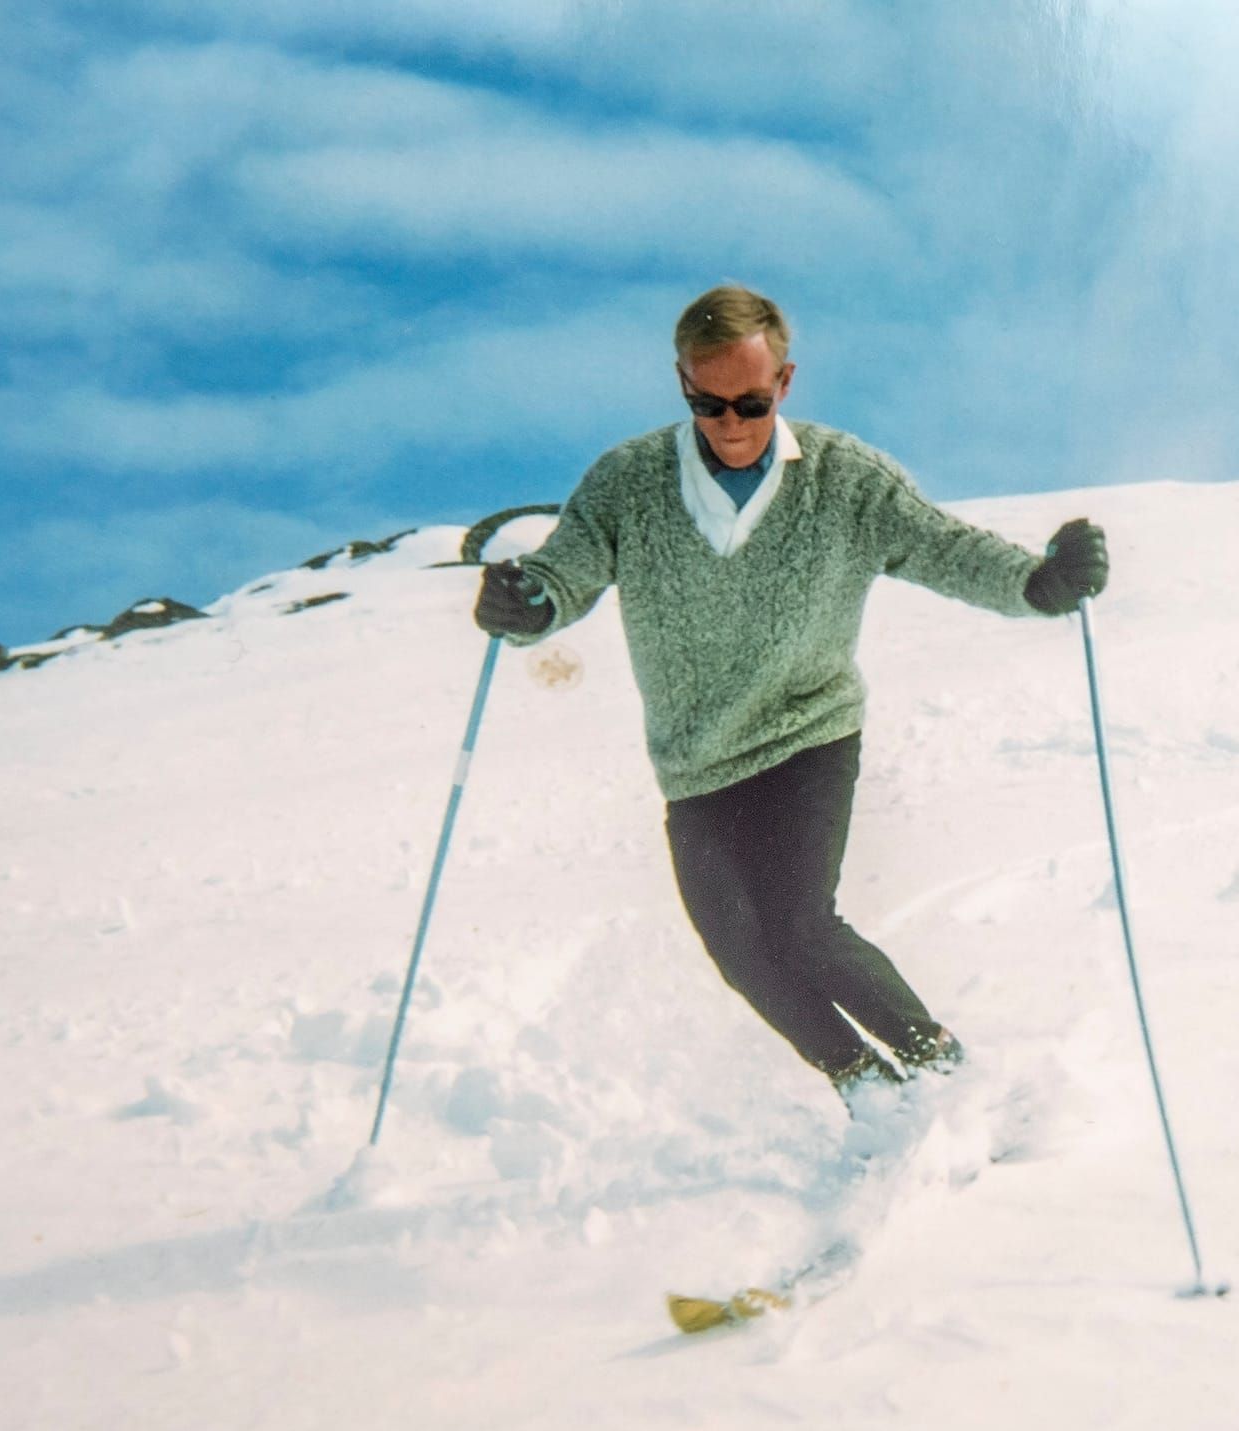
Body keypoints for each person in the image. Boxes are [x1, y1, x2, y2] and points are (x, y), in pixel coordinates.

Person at [474, 284, 1108, 1109]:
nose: (731, 423)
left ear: (786, 382)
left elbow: (943, 547)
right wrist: (527, 607)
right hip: (697, 761)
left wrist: (1037, 583)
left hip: (809, 734)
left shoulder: (845, 480)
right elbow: (566, 572)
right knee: (742, 952)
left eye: (750, 401)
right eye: (708, 404)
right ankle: (871, 1093)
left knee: (802, 927)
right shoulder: (628, 482)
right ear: (681, 386)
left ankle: (949, 1074)